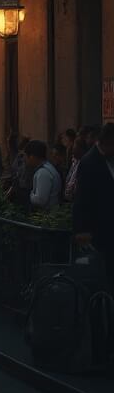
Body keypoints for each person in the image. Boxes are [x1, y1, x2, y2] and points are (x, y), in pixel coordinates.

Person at [72, 122, 114, 290]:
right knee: (102, 276)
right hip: (100, 230)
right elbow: (82, 198)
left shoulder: (108, 159)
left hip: (108, 228)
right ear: (108, 143)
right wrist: (81, 229)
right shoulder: (89, 162)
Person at [25, 139, 61, 210]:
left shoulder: (43, 172)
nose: (25, 159)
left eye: (26, 156)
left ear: (31, 156)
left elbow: (40, 201)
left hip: (48, 215)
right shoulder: (48, 167)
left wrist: (30, 194)